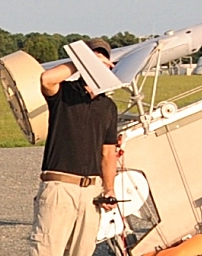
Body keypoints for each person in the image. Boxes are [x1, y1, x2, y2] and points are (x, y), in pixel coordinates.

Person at [29, 38, 118, 256]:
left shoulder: (108, 106)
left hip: (92, 193)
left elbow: (108, 153)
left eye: (103, 58)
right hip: (60, 187)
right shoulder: (64, 94)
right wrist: (84, 62)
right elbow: (47, 78)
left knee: (82, 252)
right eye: (93, 57)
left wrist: (109, 189)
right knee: (47, 250)